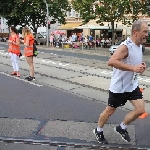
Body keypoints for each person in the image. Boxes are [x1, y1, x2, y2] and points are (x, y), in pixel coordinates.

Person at [93, 19, 148, 144]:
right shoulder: (125, 46)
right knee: (110, 111)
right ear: (135, 32)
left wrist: (140, 67)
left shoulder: (140, 46)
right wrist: (133, 68)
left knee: (140, 110)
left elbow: (133, 63)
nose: (146, 34)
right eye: (144, 31)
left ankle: (121, 127)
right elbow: (111, 61)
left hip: (132, 85)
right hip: (119, 87)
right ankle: (98, 130)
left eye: (147, 31)